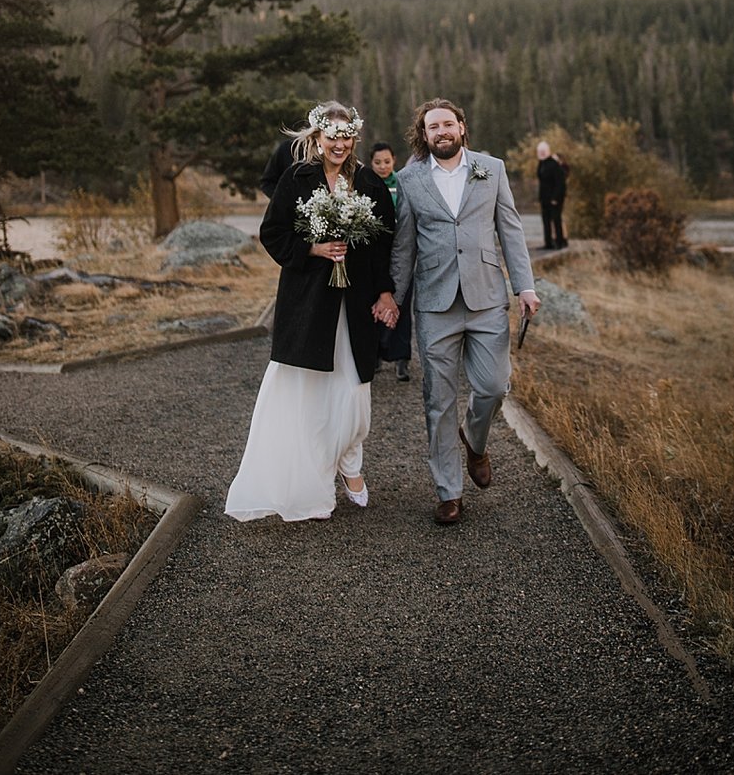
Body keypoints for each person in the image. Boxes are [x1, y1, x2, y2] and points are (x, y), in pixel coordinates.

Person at [225, 101, 395, 522]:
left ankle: (349, 462)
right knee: (313, 398)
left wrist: (386, 292)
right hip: (309, 304)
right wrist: (313, 249)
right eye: (331, 136)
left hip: (355, 305)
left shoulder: (370, 183)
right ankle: (320, 474)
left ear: (354, 137)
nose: (339, 143)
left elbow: (385, 244)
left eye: (346, 135)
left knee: (355, 398)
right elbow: (272, 232)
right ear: (317, 138)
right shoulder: (296, 179)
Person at [374, 97, 541, 525]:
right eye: (433, 127)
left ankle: (475, 438)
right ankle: (449, 492)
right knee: (438, 400)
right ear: (424, 134)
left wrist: (524, 286)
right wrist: (393, 294)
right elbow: (404, 245)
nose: (442, 132)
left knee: (494, 386)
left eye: (448, 124)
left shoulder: (492, 168)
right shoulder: (410, 180)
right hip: (435, 303)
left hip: (486, 298)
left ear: (462, 128)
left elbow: (511, 229)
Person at [370, 142, 412, 382]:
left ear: (394, 160)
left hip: (401, 254)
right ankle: (375, 353)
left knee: (402, 304)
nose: (383, 166)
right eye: (378, 162)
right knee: (374, 304)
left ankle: (401, 358)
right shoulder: (366, 183)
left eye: (387, 162)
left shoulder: (402, 184)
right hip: (375, 254)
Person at [536, 139, 568, 250]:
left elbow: (560, 183)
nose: (542, 153)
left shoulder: (554, 165)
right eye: (540, 151)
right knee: (546, 221)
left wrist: (555, 197)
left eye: (543, 151)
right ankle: (548, 243)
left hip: (554, 198)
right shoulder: (541, 164)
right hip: (544, 198)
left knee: (556, 219)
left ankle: (559, 242)